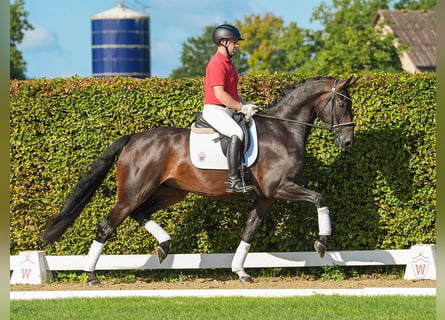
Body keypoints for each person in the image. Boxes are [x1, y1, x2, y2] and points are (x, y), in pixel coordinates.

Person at [202, 24, 258, 193]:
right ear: (224, 42)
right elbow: (220, 94)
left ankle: (245, 172)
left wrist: (246, 104)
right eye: (234, 42)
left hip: (227, 110)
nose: (237, 45)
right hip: (215, 110)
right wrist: (240, 107)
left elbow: (232, 94)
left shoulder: (229, 64)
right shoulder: (217, 63)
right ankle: (233, 180)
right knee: (237, 133)